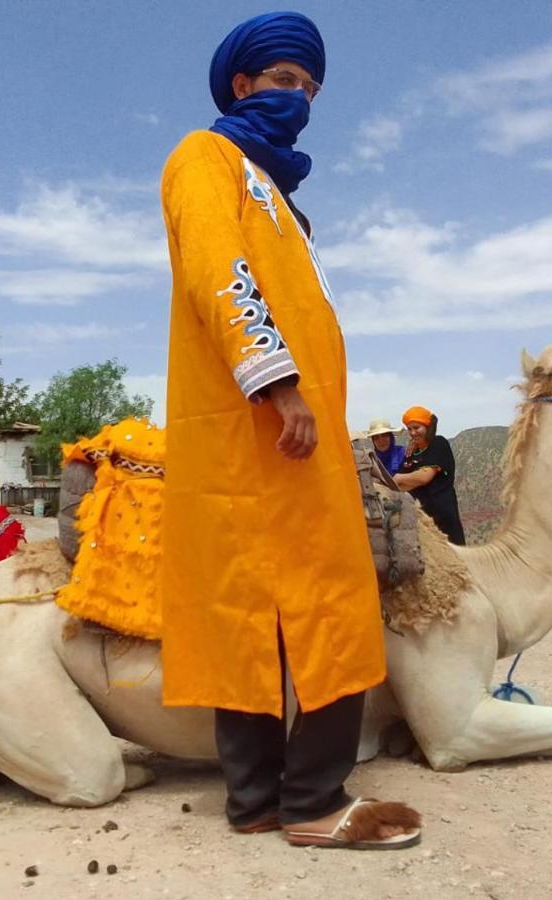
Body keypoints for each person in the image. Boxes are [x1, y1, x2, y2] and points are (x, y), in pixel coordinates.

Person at [158, 11, 421, 850]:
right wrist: (278, 384)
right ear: (241, 85)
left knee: (258, 607)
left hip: (289, 433)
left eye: (309, 88)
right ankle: (312, 802)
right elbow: (216, 270)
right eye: (283, 82)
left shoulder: (281, 199)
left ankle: (258, 801)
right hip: (258, 422)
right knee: (324, 599)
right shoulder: (208, 160)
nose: (299, 98)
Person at [394, 405, 466, 545]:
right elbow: (405, 485)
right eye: (409, 429)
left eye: (417, 428)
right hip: (421, 520)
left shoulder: (438, 444)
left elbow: (424, 477)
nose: (413, 433)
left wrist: (399, 478)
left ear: (427, 426)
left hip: (442, 516)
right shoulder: (412, 453)